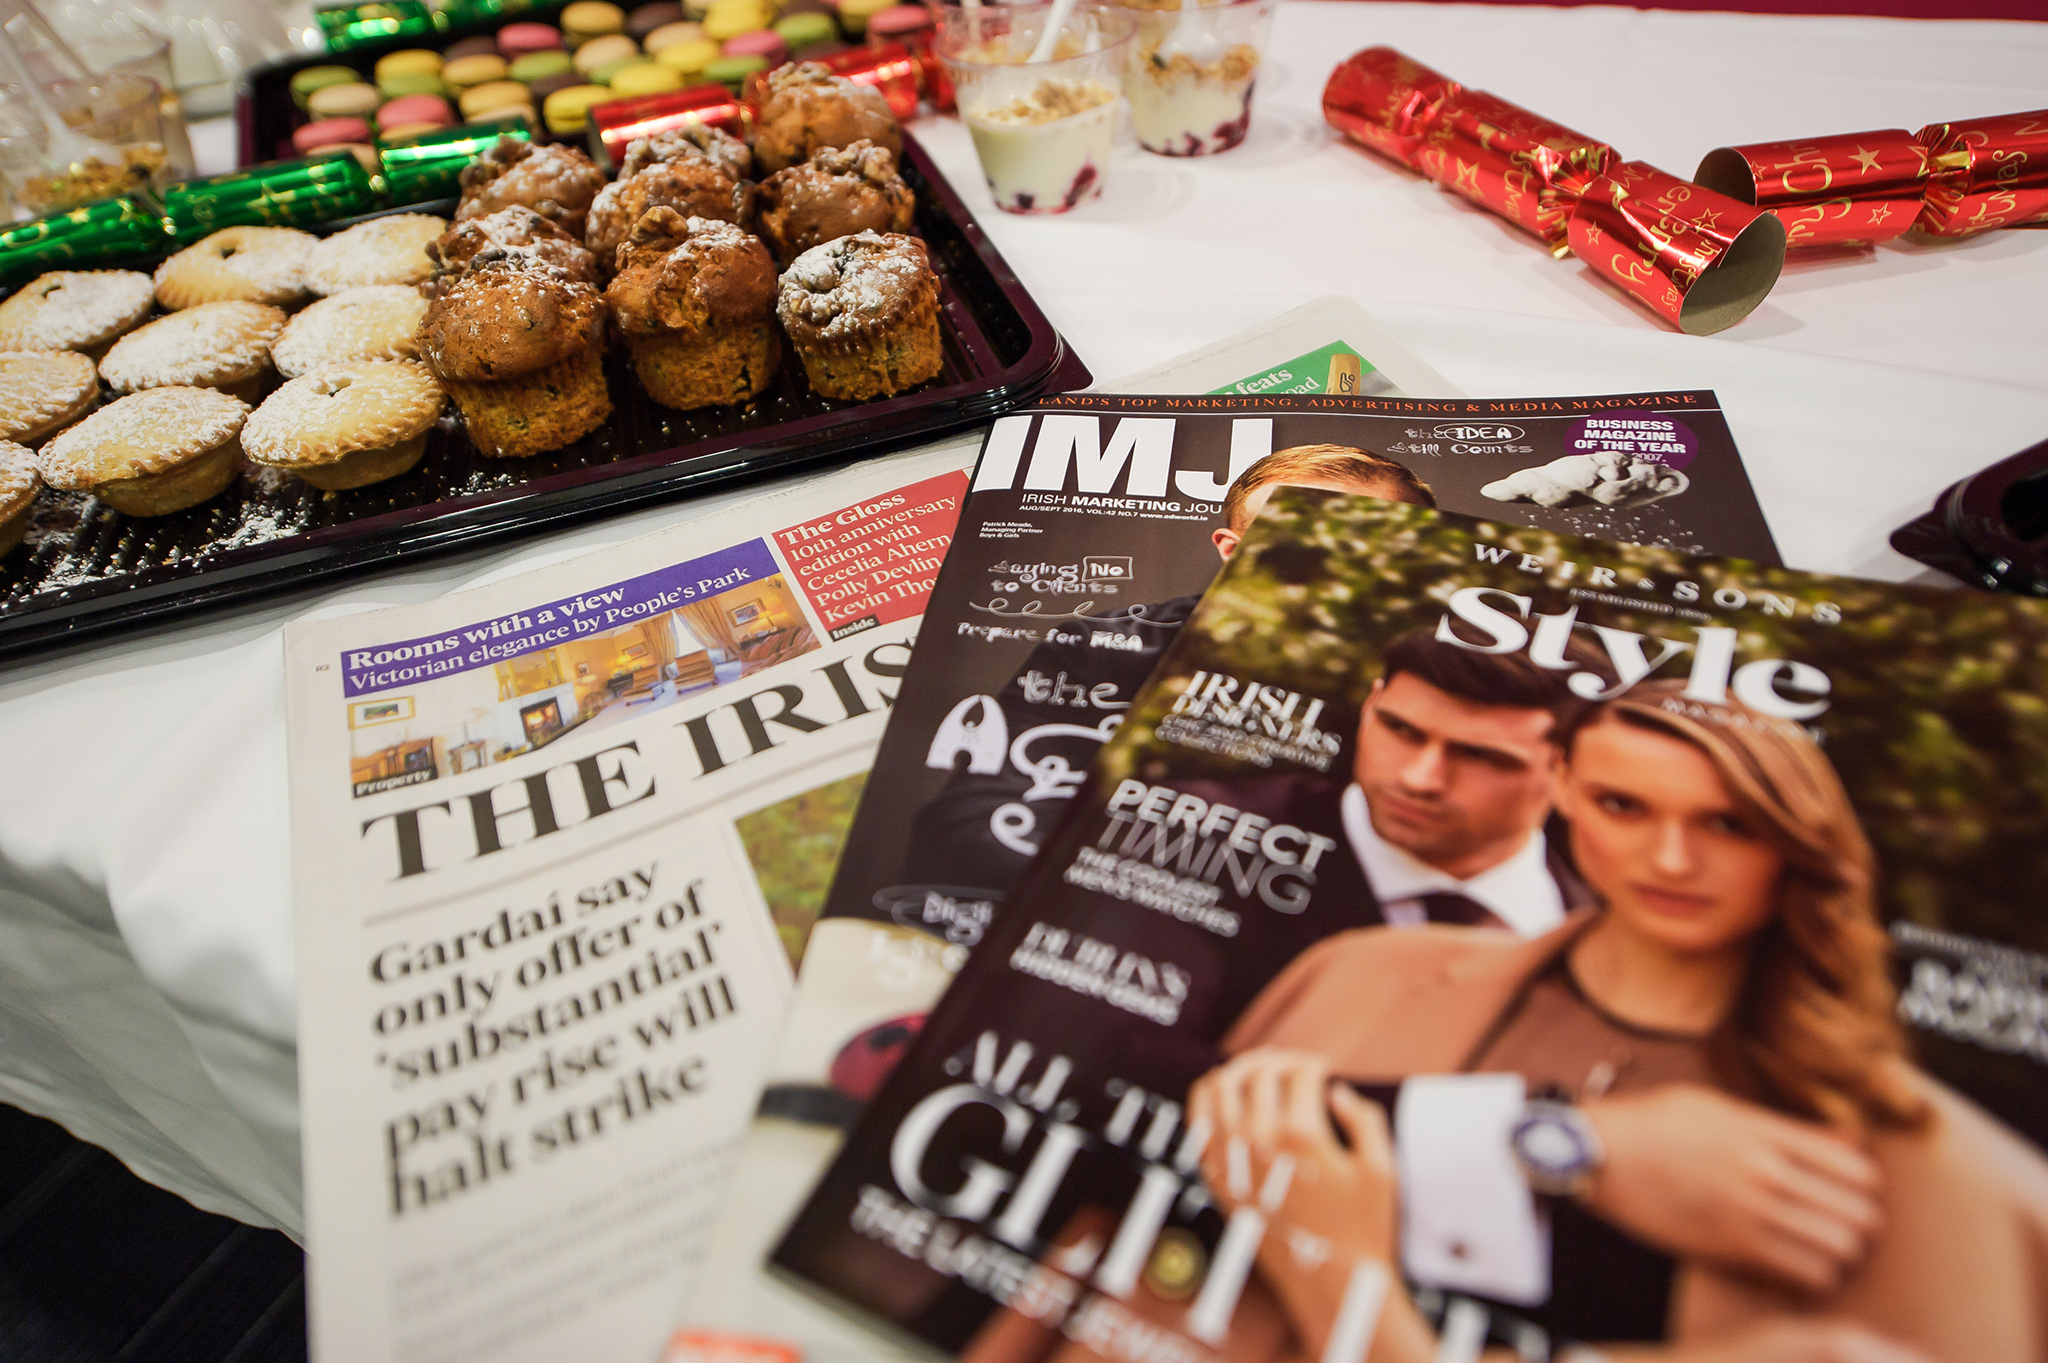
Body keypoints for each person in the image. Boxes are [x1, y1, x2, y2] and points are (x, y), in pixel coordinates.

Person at [1191, 685, 2048, 1361]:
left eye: (1727, 823)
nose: (1671, 860)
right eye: (1623, 805)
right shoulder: (1365, 969)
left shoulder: (1924, 1164)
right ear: (1563, 788)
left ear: (1797, 839)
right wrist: (1566, 1143)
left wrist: (1340, 1276)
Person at [904, 445, 1436, 899]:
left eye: (1376, 540)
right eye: (1299, 537)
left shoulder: (1458, 672)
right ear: (1234, 552)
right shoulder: (1103, 648)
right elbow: (968, 824)